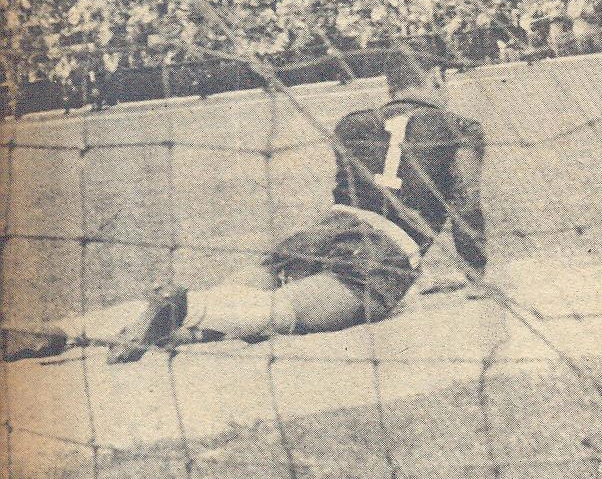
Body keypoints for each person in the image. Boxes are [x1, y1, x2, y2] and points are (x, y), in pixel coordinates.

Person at [2, 52, 488, 364]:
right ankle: (185, 307)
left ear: (389, 86)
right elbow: (465, 204)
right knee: (279, 314)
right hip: (382, 250)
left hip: (320, 232)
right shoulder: (459, 126)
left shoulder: (352, 121)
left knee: (232, 295)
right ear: (436, 78)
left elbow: (364, 184)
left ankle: (61, 332)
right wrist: (475, 272)